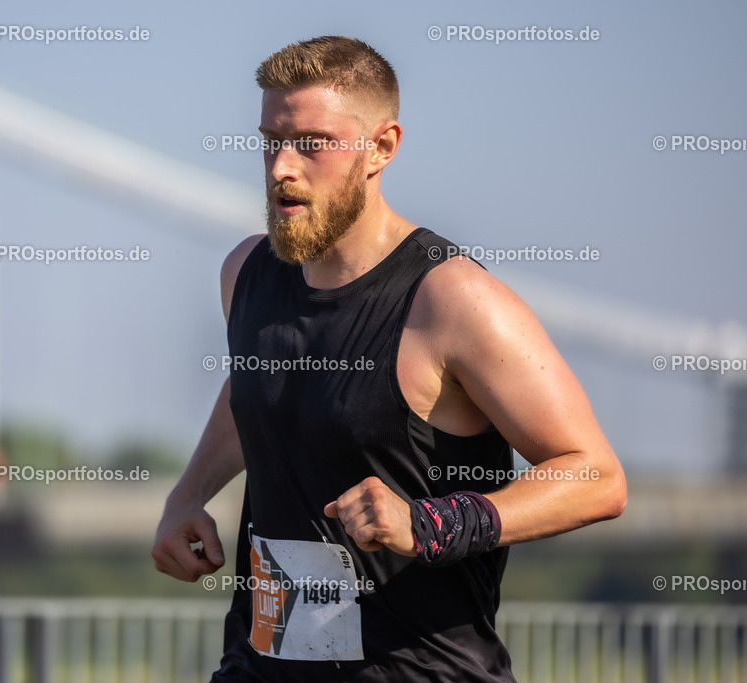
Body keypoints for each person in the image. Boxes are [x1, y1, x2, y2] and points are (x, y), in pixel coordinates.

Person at [152, 35, 626, 682]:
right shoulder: (246, 274)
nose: (281, 167)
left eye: (311, 144)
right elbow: (256, 390)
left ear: (382, 147)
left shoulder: (453, 302)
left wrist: (430, 523)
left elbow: (596, 476)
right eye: (270, 140)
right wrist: (187, 493)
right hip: (260, 666)